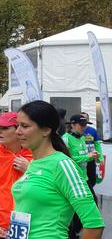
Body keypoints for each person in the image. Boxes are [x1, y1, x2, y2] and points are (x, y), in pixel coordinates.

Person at [13, 101, 104, 239]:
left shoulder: (62, 164)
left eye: (24, 126)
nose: (17, 131)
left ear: (46, 130)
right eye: (17, 125)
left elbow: (94, 223)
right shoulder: (33, 163)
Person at [64, 114, 102, 238]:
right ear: (73, 124)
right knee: (75, 209)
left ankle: (75, 232)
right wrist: (88, 156)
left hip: (83, 178)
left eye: (86, 125)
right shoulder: (66, 138)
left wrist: (94, 155)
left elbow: (84, 154)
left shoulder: (82, 138)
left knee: (91, 204)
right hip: (72, 179)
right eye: (82, 125)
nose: (84, 127)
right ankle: (72, 233)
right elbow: (66, 159)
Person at [80, 112, 104, 193]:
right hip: (81, 160)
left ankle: (89, 192)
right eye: (82, 118)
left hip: (90, 159)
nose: (83, 120)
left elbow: (97, 144)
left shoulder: (92, 130)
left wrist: (100, 158)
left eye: (85, 118)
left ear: (88, 120)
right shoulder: (76, 131)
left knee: (92, 179)